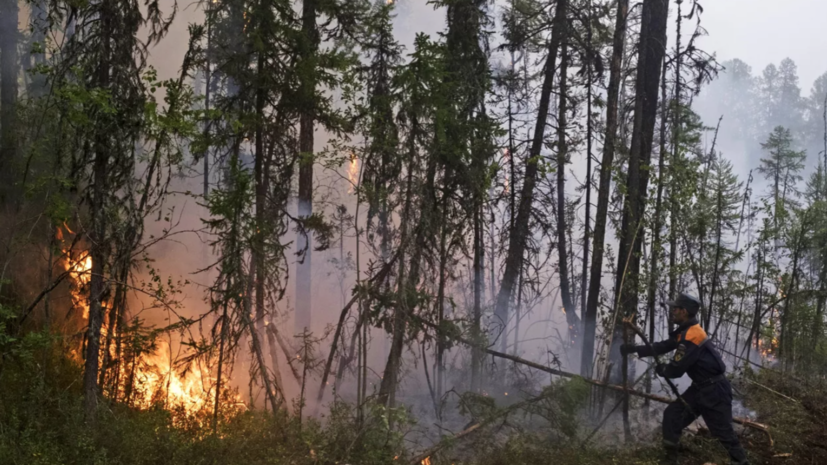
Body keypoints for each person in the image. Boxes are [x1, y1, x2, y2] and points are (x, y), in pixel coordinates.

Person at [619, 293, 750, 465]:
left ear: (685, 311)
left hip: (714, 391)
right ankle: (670, 460)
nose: (672, 311)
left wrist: (663, 369)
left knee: (724, 432)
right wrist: (635, 349)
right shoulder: (686, 331)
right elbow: (665, 346)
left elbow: (676, 370)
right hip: (700, 389)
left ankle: (741, 462)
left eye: (676, 308)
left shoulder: (691, 335)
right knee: (673, 415)